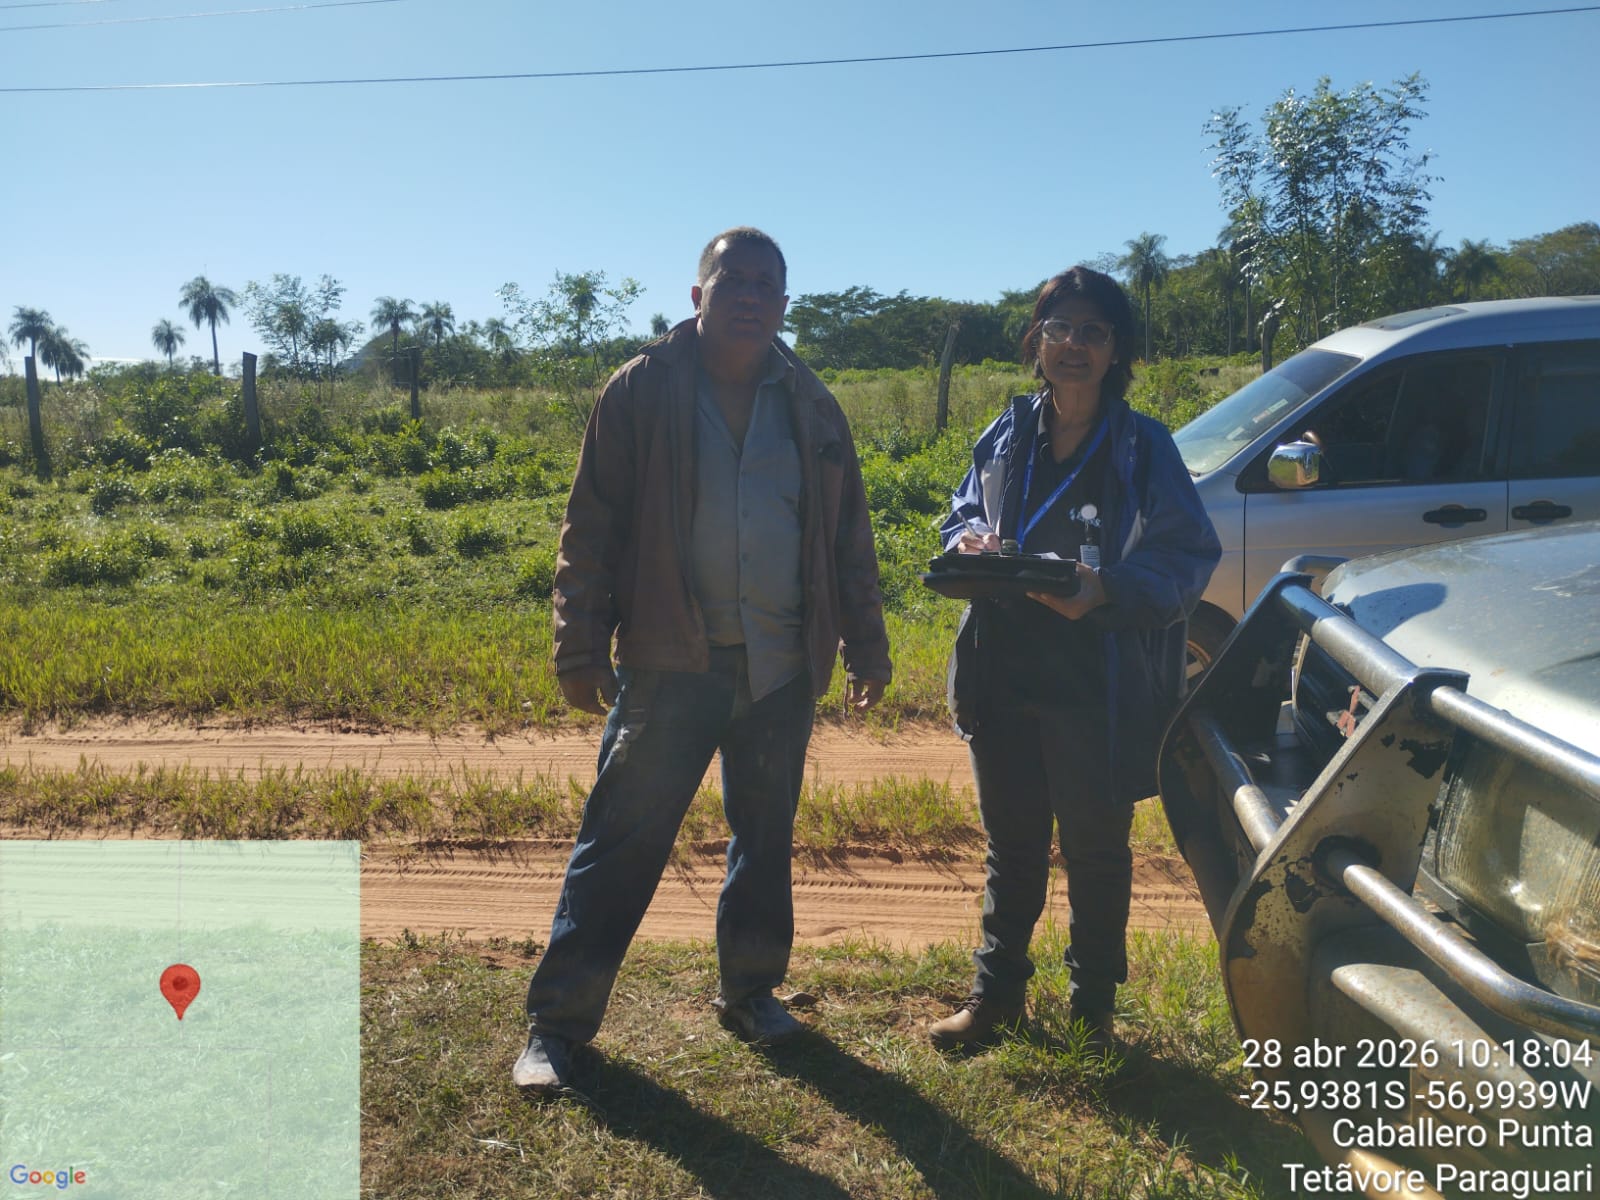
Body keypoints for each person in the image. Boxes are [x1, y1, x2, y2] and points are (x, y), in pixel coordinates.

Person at [513, 227, 892, 1094]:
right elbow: (590, 528)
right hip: (669, 661)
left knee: (764, 839)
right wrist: (578, 643)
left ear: (784, 303)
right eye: (734, 281)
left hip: (780, 666)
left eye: (767, 284)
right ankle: (557, 1028)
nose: (751, 296)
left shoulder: (811, 403)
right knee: (620, 842)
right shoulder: (643, 390)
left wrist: (866, 644)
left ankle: (750, 993)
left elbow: (847, 536)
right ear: (698, 296)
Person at [928, 266, 1220, 1053]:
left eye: (1093, 331)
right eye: (1059, 328)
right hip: (1002, 670)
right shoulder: (1009, 432)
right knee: (1012, 846)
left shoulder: (1143, 445)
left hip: (1098, 684)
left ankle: (1092, 1016)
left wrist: (1106, 589)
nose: (1074, 345)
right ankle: (995, 1000)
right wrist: (970, 542)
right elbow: (962, 511)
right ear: (1037, 341)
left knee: (1095, 851)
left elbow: (1189, 555)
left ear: (1116, 349)